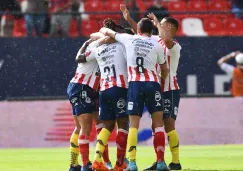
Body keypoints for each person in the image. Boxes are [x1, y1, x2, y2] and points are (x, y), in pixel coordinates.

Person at [100, 17, 169, 171]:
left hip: (135, 85)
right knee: (158, 124)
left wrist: (104, 34)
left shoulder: (129, 39)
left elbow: (107, 31)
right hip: (152, 84)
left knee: (133, 126)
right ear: (152, 32)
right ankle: (160, 162)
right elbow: (165, 71)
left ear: (138, 30)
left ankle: (132, 163)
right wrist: (160, 79)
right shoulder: (158, 44)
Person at [120, 5, 182, 170]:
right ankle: (159, 160)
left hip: (169, 89)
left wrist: (156, 23)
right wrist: (129, 20)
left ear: (167, 27)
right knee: (157, 126)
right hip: (155, 87)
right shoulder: (155, 41)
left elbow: (167, 40)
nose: (156, 26)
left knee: (168, 124)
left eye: (160, 24)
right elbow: (140, 33)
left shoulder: (174, 45)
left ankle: (175, 162)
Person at [82, 19, 131, 171]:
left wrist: (99, 36)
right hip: (119, 87)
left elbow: (82, 56)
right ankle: (120, 163)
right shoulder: (122, 46)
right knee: (123, 124)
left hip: (104, 91)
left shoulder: (99, 49)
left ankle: (97, 160)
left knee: (107, 126)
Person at [67, 39, 103, 171]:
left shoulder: (92, 44)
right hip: (82, 87)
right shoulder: (97, 47)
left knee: (79, 127)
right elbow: (79, 58)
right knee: (85, 128)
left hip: (87, 88)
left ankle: (74, 165)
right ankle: (85, 164)